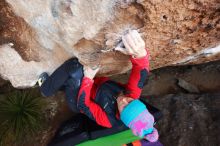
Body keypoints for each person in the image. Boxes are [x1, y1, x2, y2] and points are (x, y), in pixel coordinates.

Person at [38, 30, 159, 142]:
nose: (124, 100)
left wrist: (88, 79)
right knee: (71, 81)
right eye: (131, 102)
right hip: (93, 86)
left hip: (78, 101)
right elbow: (141, 73)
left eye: (124, 108)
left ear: (122, 117)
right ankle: (62, 85)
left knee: (75, 69)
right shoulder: (132, 95)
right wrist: (141, 54)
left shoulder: (108, 121)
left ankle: (45, 89)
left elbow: (84, 105)